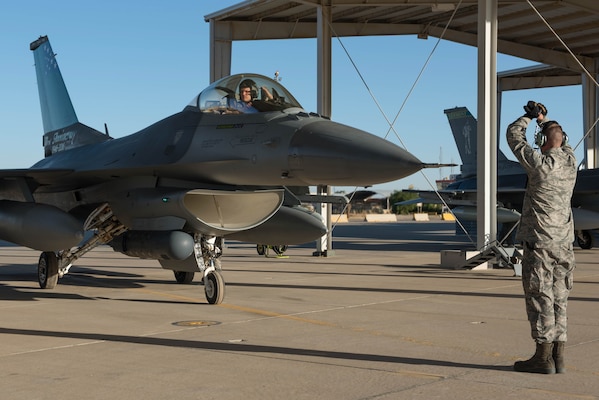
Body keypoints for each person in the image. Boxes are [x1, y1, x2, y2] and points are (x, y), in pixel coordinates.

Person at [506, 100, 577, 374]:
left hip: (540, 244)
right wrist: (545, 122)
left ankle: (542, 357)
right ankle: (559, 356)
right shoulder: (570, 163)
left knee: (540, 298)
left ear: (543, 142)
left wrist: (529, 117)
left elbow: (513, 135)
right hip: (564, 246)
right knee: (560, 298)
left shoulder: (538, 164)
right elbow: (562, 140)